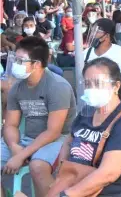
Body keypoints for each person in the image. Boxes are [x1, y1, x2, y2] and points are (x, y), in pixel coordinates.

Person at [51, 57, 121, 196]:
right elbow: (69, 140)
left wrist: (68, 194)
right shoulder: (86, 113)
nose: (91, 89)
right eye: (88, 84)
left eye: (98, 83)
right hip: (73, 181)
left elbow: (107, 174)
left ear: (116, 86)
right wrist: (62, 169)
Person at [1, 37, 76, 196]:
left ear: (36, 64)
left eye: (21, 61)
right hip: (27, 137)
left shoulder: (57, 86)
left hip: (59, 139)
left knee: (38, 167)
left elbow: (53, 132)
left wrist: (22, 154)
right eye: (15, 59)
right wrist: (15, 147)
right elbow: (10, 125)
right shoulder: (17, 87)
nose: (16, 65)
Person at [84, 19, 121, 105]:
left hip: (117, 94)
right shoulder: (86, 53)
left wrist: (106, 89)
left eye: (96, 31)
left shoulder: (119, 52)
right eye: (92, 31)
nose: (93, 34)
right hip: (93, 96)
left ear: (106, 36)